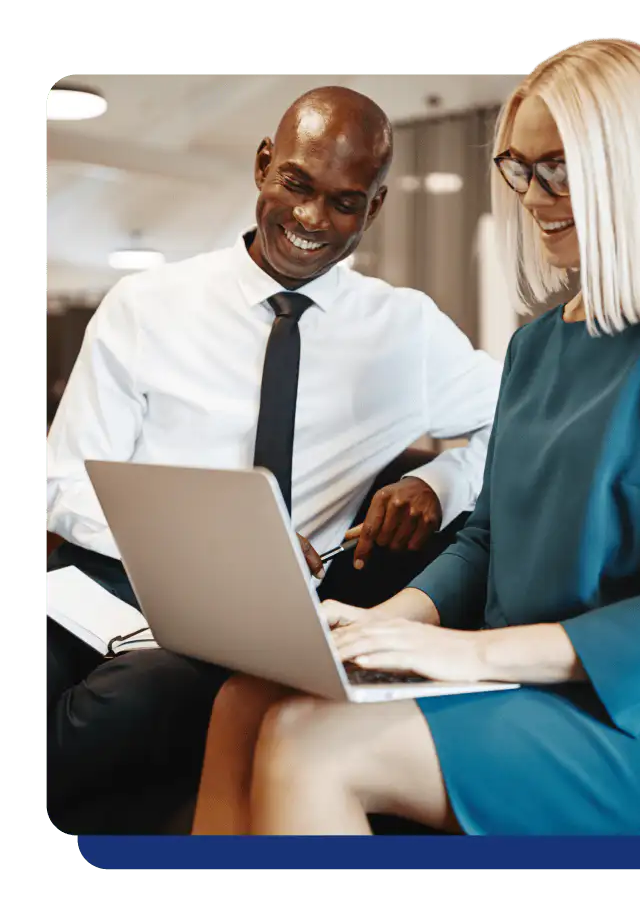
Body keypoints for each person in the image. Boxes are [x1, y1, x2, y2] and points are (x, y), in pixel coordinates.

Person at [191, 37, 640, 837]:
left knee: (313, 747)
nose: (535, 196)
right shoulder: (538, 346)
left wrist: (472, 656)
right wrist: (385, 621)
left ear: (632, 167)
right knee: (243, 700)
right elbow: (486, 539)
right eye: (520, 167)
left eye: (561, 169)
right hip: (519, 685)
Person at [45, 86, 502, 832]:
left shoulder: (406, 332)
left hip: (246, 626)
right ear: (264, 167)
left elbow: (515, 422)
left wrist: (440, 480)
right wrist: (210, 545)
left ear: (376, 206)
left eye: (346, 202)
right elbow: (66, 485)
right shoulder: (145, 305)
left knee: (140, 698)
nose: (313, 220)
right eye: (297, 184)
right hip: (101, 585)